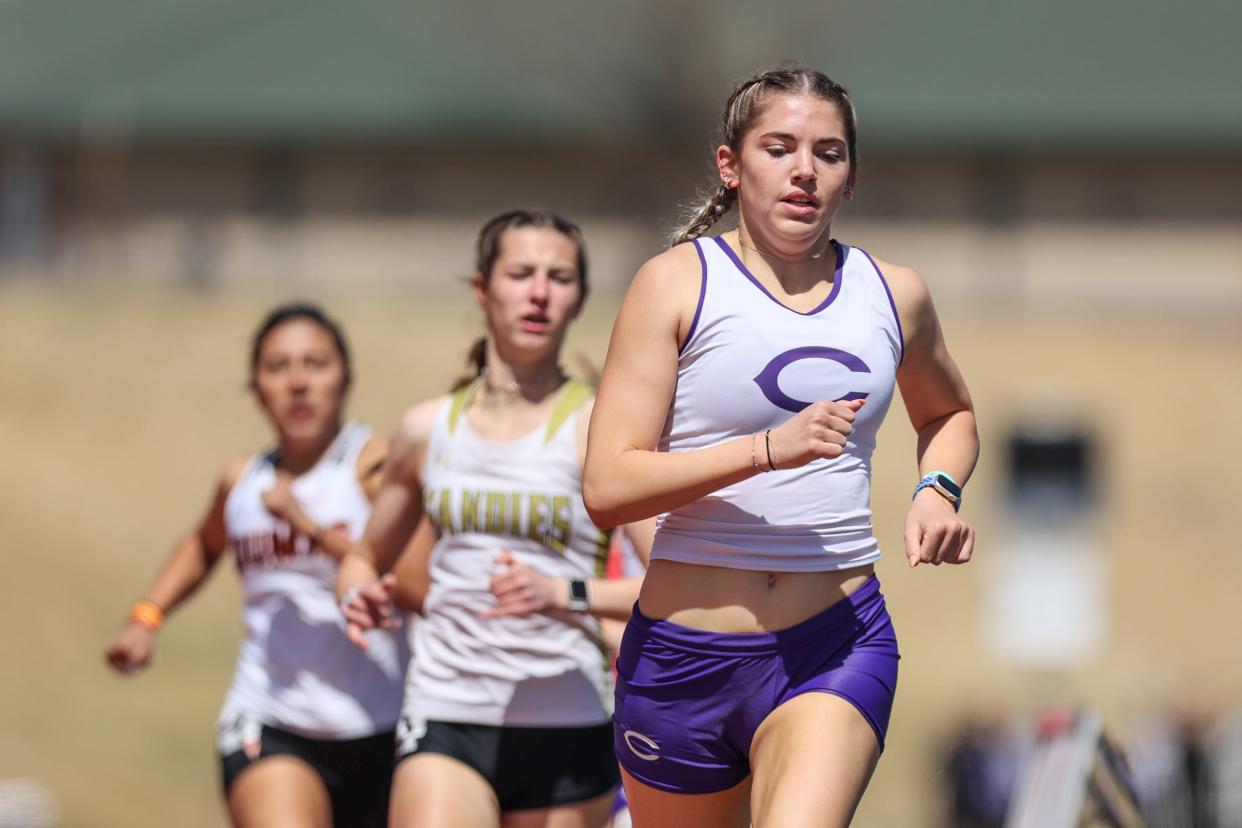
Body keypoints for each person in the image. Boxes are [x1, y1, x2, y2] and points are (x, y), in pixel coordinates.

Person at [582, 64, 979, 828]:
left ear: (851, 177)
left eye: (827, 153)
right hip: (682, 660)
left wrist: (938, 489)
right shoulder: (673, 285)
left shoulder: (893, 294)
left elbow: (951, 414)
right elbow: (608, 486)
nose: (804, 171)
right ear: (731, 166)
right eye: (779, 147)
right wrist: (765, 449)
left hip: (836, 644)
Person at [336, 209, 652, 828]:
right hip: (445, 713)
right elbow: (362, 557)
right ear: (483, 290)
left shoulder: (600, 431)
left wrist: (565, 592)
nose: (539, 292)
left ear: (580, 299)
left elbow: (677, 580)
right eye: (521, 273)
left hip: (569, 720)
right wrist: (355, 593)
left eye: (559, 277)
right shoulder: (427, 429)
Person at [104, 303, 416, 828]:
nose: (297, 383)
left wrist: (310, 529)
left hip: (381, 726)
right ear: (256, 386)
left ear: (345, 378)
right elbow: (203, 545)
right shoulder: (243, 481)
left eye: (315, 364)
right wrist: (146, 616)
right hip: (269, 719)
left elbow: (414, 580)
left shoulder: (374, 466)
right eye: (277, 367)